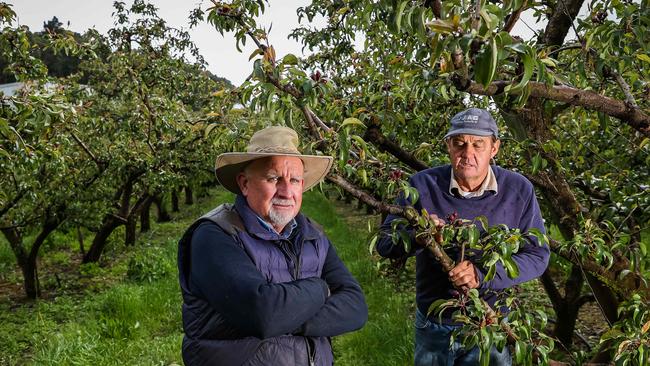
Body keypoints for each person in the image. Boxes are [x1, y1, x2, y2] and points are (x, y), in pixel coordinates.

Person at [177, 126, 368, 366]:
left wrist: (287, 314)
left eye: (295, 180)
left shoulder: (313, 236)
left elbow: (356, 308)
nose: (287, 191)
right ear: (244, 183)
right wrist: (321, 289)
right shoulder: (215, 236)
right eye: (274, 178)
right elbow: (263, 314)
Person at [377, 108, 550, 366]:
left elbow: (537, 255)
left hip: (489, 323)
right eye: (459, 144)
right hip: (435, 323)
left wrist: (482, 275)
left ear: (494, 148)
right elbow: (385, 243)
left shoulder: (517, 189)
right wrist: (419, 235)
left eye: (478, 144)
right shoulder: (421, 185)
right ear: (448, 146)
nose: (468, 154)